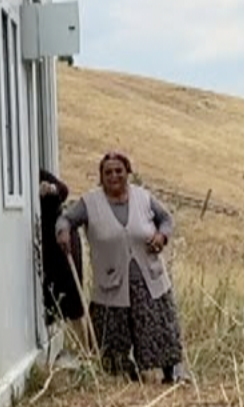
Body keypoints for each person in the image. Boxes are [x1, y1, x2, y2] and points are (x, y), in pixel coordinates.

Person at [57, 151, 187, 384]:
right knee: (113, 337)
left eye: (119, 170)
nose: (114, 176)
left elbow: (166, 220)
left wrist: (161, 237)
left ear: (128, 172)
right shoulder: (90, 203)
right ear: (101, 176)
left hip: (149, 279)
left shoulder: (144, 198)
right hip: (111, 283)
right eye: (108, 172)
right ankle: (128, 377)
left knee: (158, 328)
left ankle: (171, 373)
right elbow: (66, 219)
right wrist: (63, 231)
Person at [37, 168, 88, 334]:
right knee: (48, 299)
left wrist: (51, 189)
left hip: (62, 240)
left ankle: (86, 354)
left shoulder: (36, 173)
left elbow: (64, 190)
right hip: (43, 247)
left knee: (73, 301)